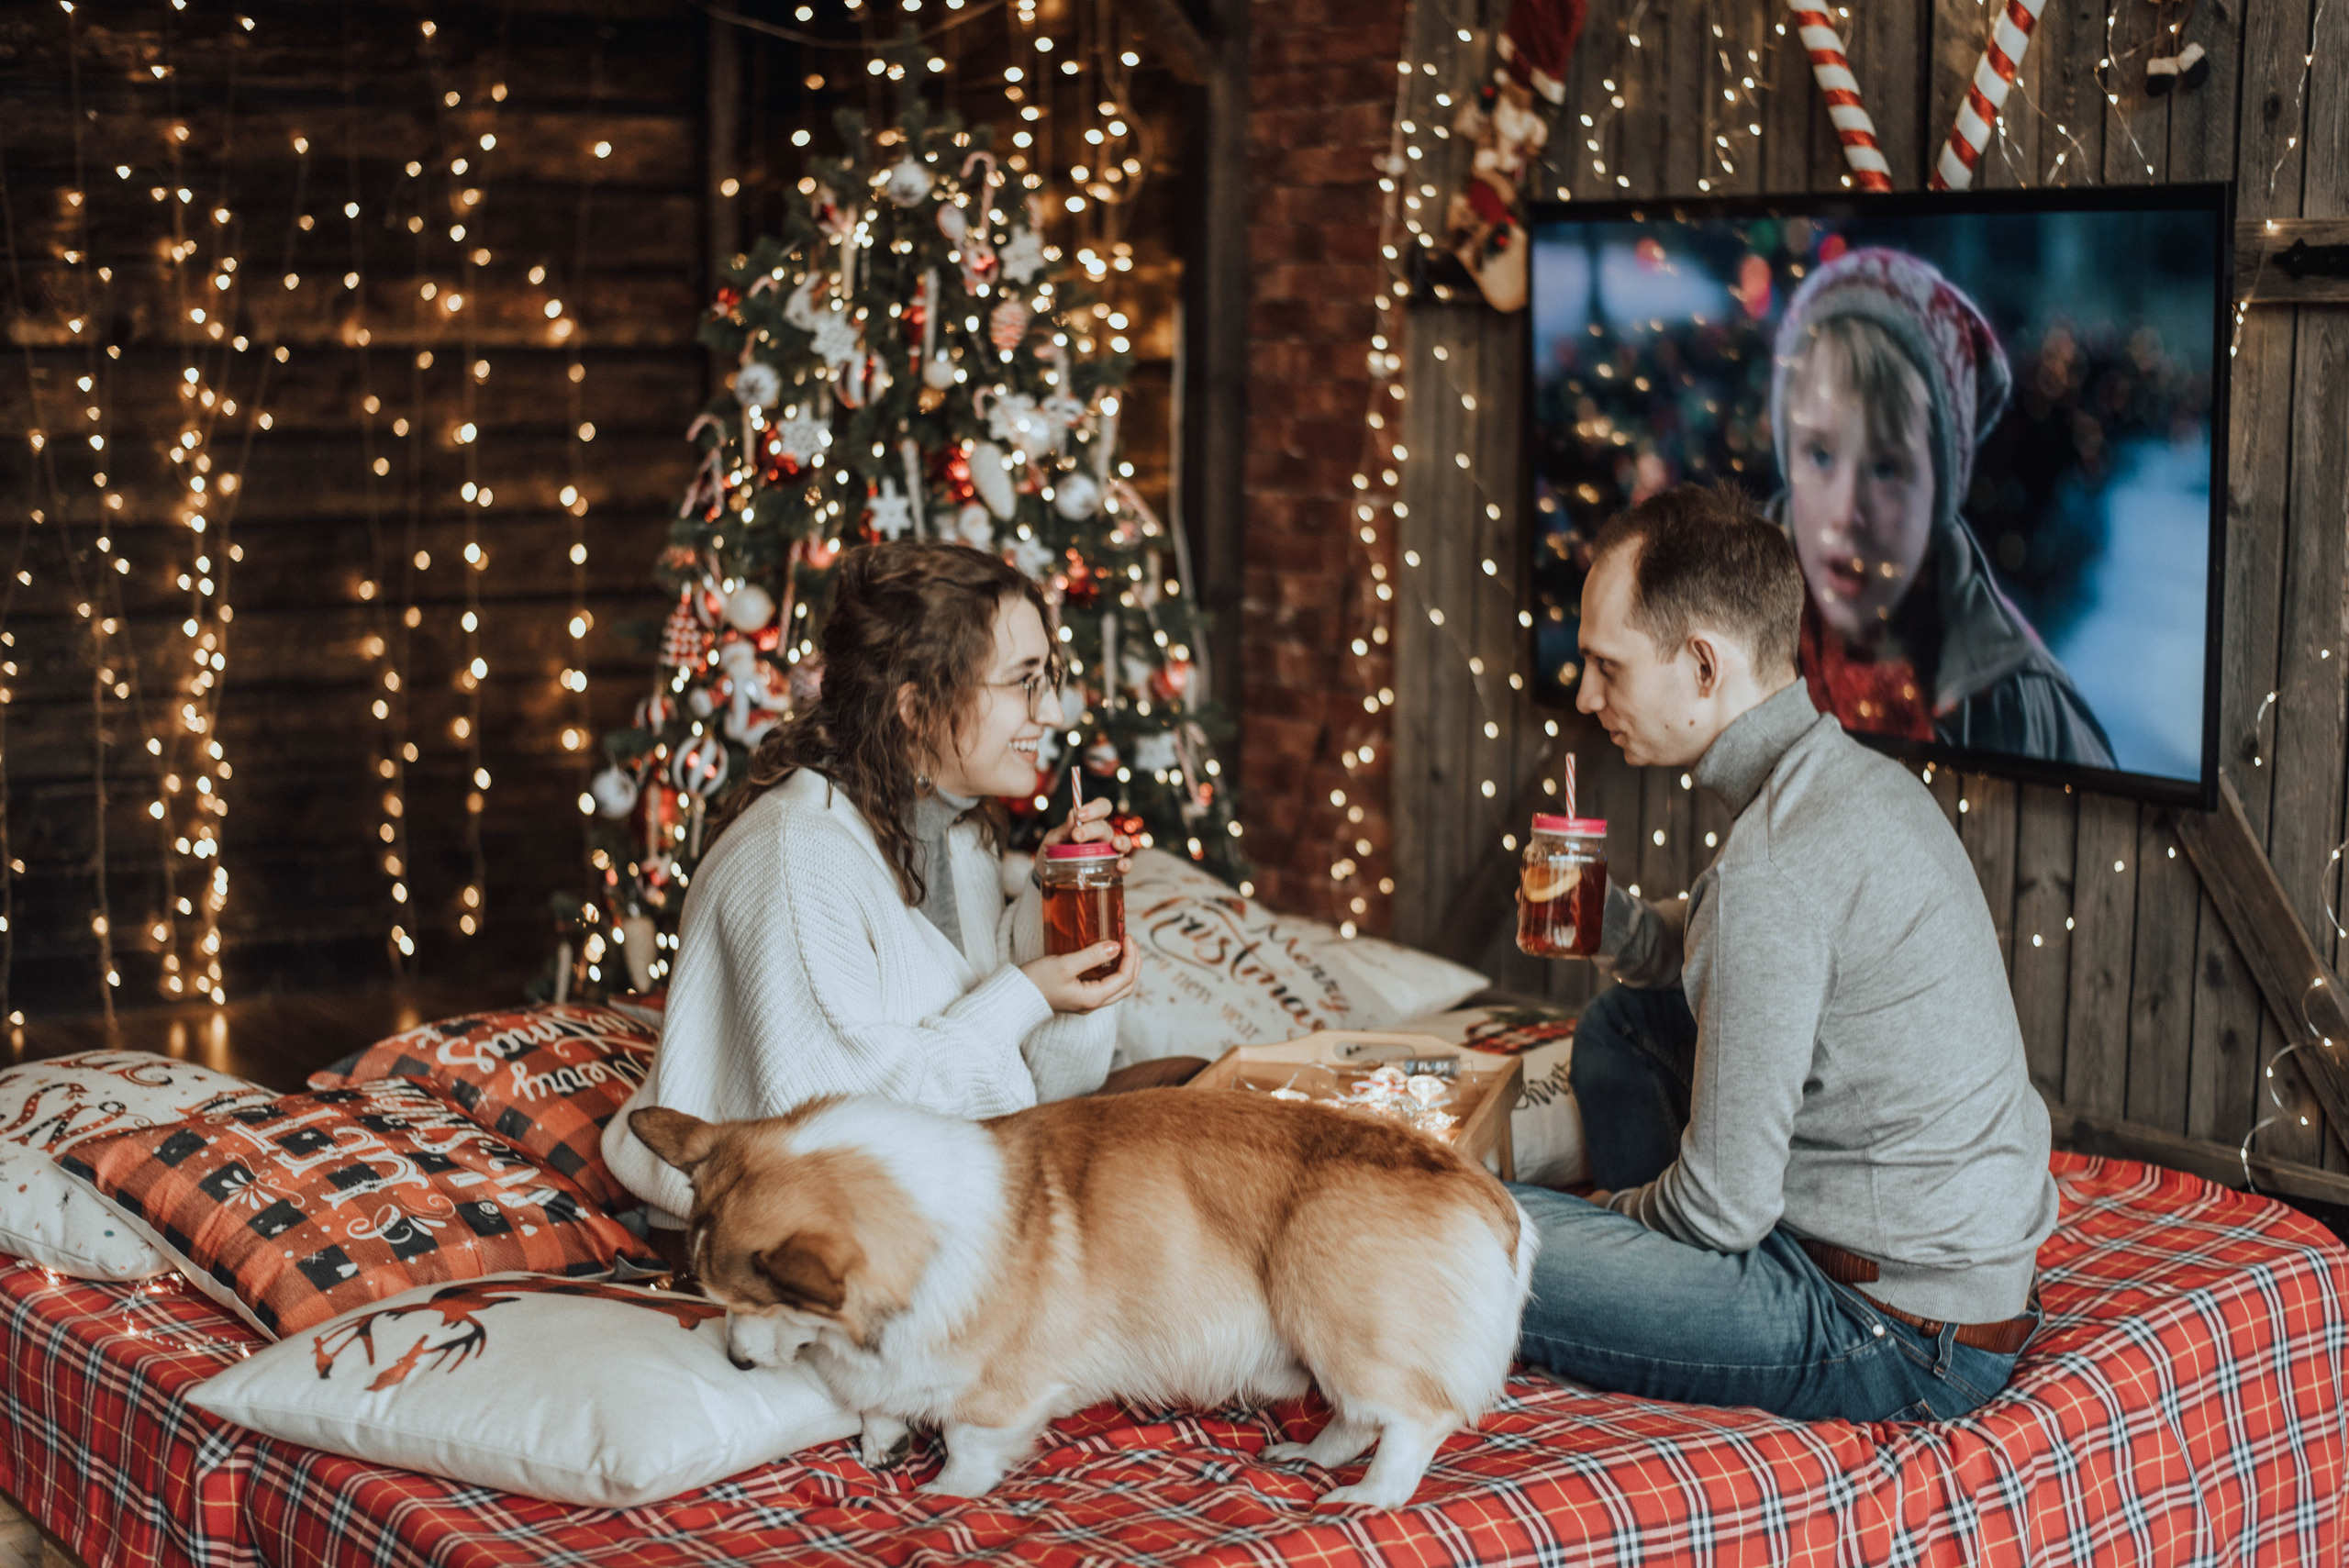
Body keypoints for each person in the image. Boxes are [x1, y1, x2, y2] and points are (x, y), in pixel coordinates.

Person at [1515, 482, 2059, 1423]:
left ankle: (1667, 1285)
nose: (1584, 690)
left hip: (1896, 1330)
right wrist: (1627, 934)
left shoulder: (1771, 867)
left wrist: (1610, 1228)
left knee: (1468, 1238)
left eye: (1606, 664)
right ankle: (1675, 1285)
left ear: (1700, 665)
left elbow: (1724, 1208)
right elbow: (1750, 961)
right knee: (1625, 1022)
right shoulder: (1856, 780)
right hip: (1943, 1274)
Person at [604, 540, 1159, 1236]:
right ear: (917, 705)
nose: (1047, 712)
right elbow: (841, 1128)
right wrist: (1026, 993)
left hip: (931, 1202)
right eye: (1023, 681)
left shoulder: (959, 835)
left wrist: (1059, 911)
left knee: (1195, 1097)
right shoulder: (795, 856)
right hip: (784, 1239)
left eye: (1045, 678)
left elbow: (1037, 1089)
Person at [1772, 247, 2113, 768]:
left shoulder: (2026, 711)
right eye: (1819, 454)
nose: (1845, 512)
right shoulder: (1705, 656)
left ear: (1941, 488)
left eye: (1886, 467)